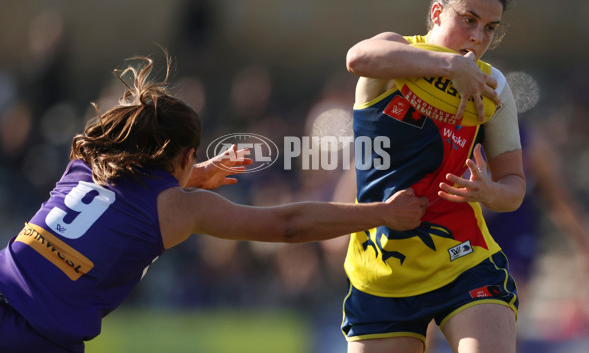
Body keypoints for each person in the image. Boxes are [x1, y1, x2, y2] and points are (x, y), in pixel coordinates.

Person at [0, 51, 429, 353]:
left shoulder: (87, 159)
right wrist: (384, 213)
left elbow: (130, 189)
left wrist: (196, 174)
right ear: (183, 156)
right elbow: (289, 225)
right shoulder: (181, 207)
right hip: (37, 338)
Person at [341, 0, 525, 353]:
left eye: (489, 28)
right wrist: (446, 66)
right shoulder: (395, 52)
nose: (478, 37)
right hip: (381, 268)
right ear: (437, 13)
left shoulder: (493, 86)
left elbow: (515, 187)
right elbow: (356, 58)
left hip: (463, 258)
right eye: (469, 20)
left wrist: (491, 193)